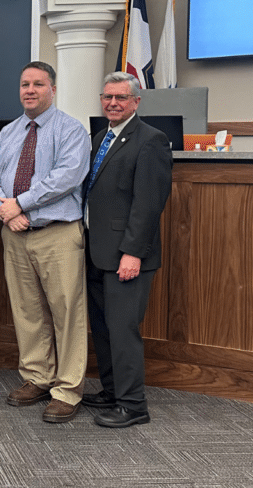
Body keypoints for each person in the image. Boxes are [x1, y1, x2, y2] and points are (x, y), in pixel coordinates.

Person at [0, 62, 90, 423]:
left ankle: (68, 389)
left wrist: (20, 203)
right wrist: (5, 209)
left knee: (66, 312)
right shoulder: (10, 132)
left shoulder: (72, 130)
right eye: (24, 84)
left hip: (57, 233)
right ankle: (37, 377)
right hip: (15, 235)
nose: (30, 90)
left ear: (52, 89)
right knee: (27, 311)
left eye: (38, 84)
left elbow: (66, 178)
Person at [83, 71, 173, 428]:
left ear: (136, 101)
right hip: (96, 252)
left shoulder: (151, 140)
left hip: (126, 255)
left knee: (123, 331)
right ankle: (111, 391)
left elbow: (149, 203)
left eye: (121, 98)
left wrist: (133, 253)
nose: (113, 103)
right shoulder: (98, 138)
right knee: (103, 329)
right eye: (107, 97)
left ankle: (134, 405)